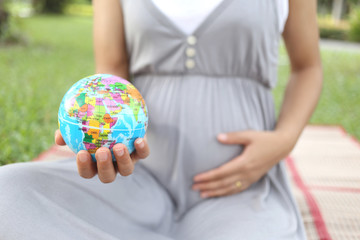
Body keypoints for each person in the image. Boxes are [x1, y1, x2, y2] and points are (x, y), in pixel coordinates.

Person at [0, 0, 322, 239]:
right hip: (136, 182)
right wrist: (98, 132)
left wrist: (283, 141)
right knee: (9, 193)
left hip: (239, 190)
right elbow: (112, 69)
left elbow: (308, 67)